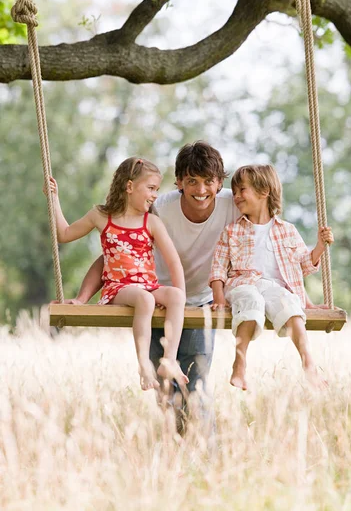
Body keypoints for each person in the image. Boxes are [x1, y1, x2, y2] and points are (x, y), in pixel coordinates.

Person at [64, 142, 239, 430]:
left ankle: (207, 456)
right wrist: (83, 297)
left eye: (209, 181)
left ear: (220, 183)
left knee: (196, 385)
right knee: (166, 392)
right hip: (153, 300)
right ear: (179, 182)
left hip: (198, 304)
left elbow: (269, 233)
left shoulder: (232, 204)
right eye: (192, 181)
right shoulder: (159, 208)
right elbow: (112, 254)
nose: (201, 189)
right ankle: (175, 456)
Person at [47, 156, 188, 391]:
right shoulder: (101, 216)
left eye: (157, 189)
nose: (155, 195)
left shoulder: (151, 221)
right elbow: (65, 234)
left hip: (148, 285)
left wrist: (181, 299)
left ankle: (169, 360)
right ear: (130, 186)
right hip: (118, 288)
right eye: (151, 188)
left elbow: (174, 262)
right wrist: (54, 198)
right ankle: (144, 366)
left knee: (175, 296)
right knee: (145, 299)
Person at [209, 164, 334, 391]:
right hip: (242, 284)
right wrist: (218, 297)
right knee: (252, 300)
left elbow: (303, 266)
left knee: (291, 307)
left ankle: (309, 364)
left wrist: (319, 246)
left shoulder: (287, 230)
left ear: (264, 191)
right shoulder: (231, 231)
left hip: (274, 288)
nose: (236, 196)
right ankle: (240, 362)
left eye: (242, 190)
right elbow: (218, 268)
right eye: (234, 191)